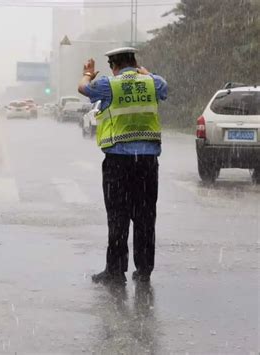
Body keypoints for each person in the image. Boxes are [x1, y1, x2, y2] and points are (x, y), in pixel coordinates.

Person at [77, 47, 168, 284]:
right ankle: (144, 269)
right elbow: (162, 87)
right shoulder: (153, 82)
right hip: (147, 162)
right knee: (146, 217)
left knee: (118, 216)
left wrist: (88, 73)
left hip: (118, 162)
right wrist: (144, 72)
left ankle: (116, 271)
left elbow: (83, 88)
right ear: (135, 63)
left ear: (113, 66)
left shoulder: (110, 85)